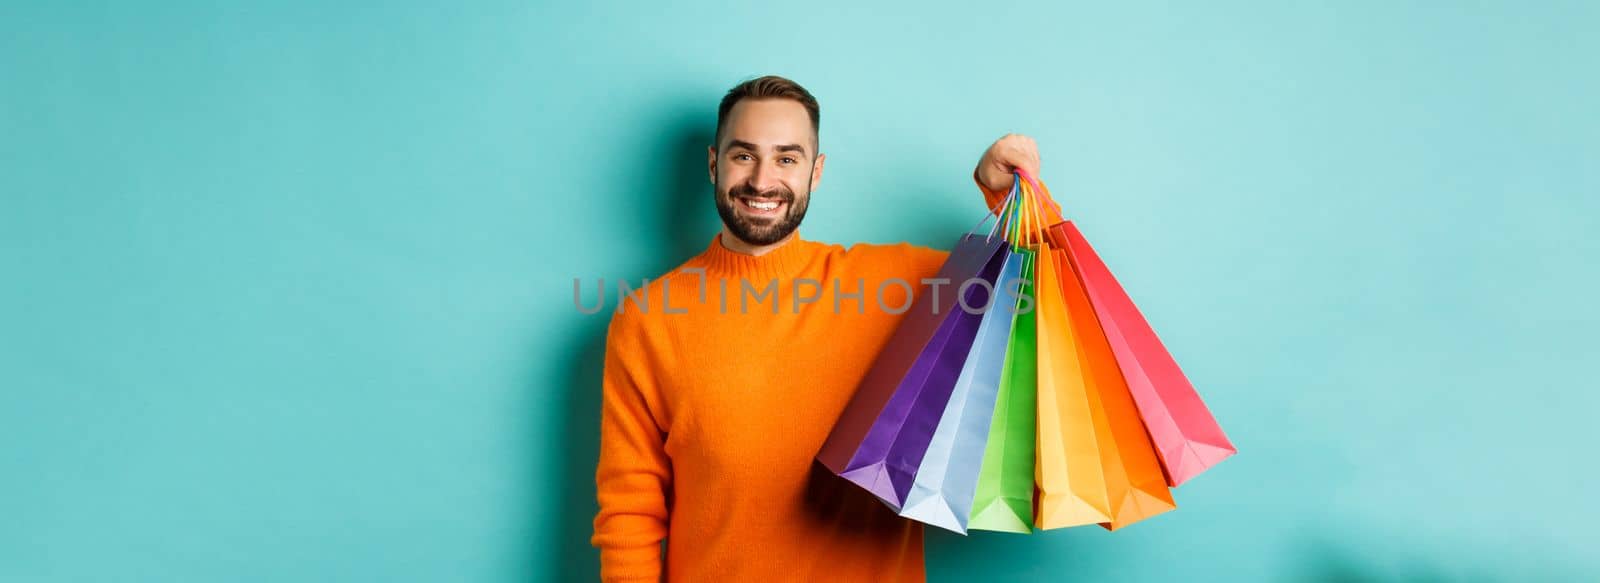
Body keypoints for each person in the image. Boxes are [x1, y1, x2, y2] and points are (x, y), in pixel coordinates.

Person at [590, 74, 1056, 582]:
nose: (762, 180)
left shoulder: (899, 289)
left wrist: (1006, 195)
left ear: (816, 172)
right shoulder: (647, 319)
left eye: (787, 159)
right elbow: (629, 514)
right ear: (712, 164)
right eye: (743, 155)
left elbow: (1043, 287)